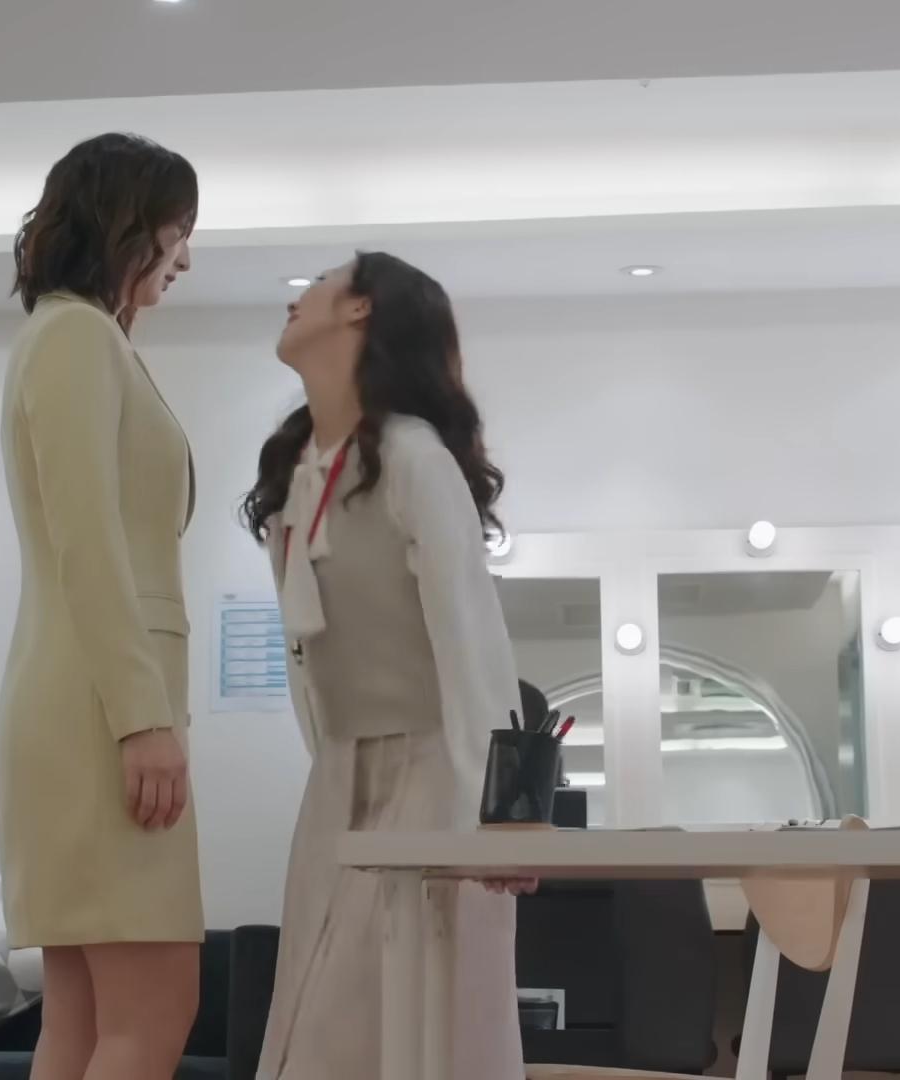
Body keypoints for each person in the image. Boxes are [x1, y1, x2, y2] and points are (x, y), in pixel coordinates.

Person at [241, 252, 527, 1080]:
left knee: (400, 1029)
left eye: (320, 283)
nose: (297, 297)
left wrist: (501, 819)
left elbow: (474, 645)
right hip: (336, 785)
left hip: (434, 782)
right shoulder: (296, 472)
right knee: (314, 1026)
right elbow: (309, 662)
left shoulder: (413, 458)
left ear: (362, 309)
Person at [0, 132, 201, 1080]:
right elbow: (90, 540)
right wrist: (143, 718)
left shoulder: (76, 335)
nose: (184, 258)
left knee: (83, 1023)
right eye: (176, 231)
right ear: (129, 224)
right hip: (103, 709)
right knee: (152, 1010)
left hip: (79, 701)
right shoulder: (76, 337)